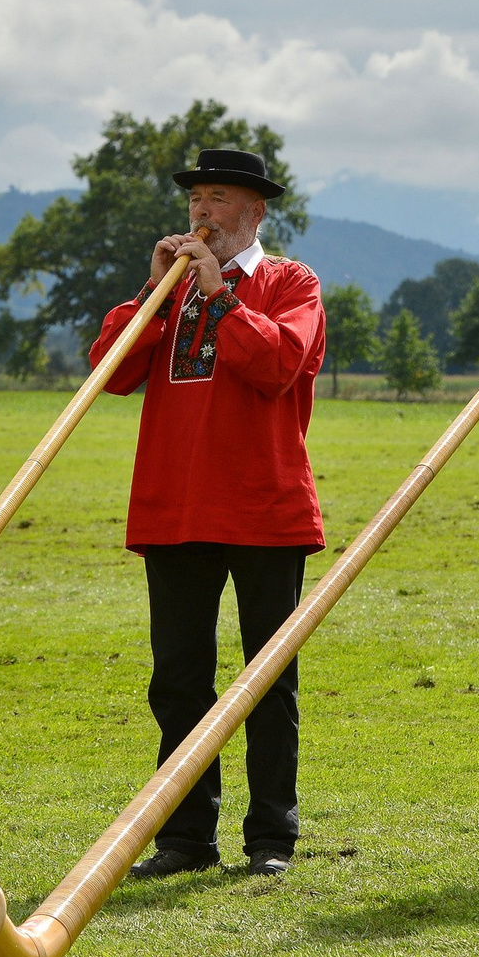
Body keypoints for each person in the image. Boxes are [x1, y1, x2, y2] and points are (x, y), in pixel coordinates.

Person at [85, 147, 326, 879]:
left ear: (255, 211)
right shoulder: (166, 293)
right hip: (174, 508)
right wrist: (152, 292)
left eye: (218, 198)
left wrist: (221, 296)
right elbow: (110, 371)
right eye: (196, 199)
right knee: (179, 682)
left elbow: (279, 364)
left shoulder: (291, 281)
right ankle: (186, 838)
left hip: (264, 509)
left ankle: (271, 838)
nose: (201, 212)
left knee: (267, 679)